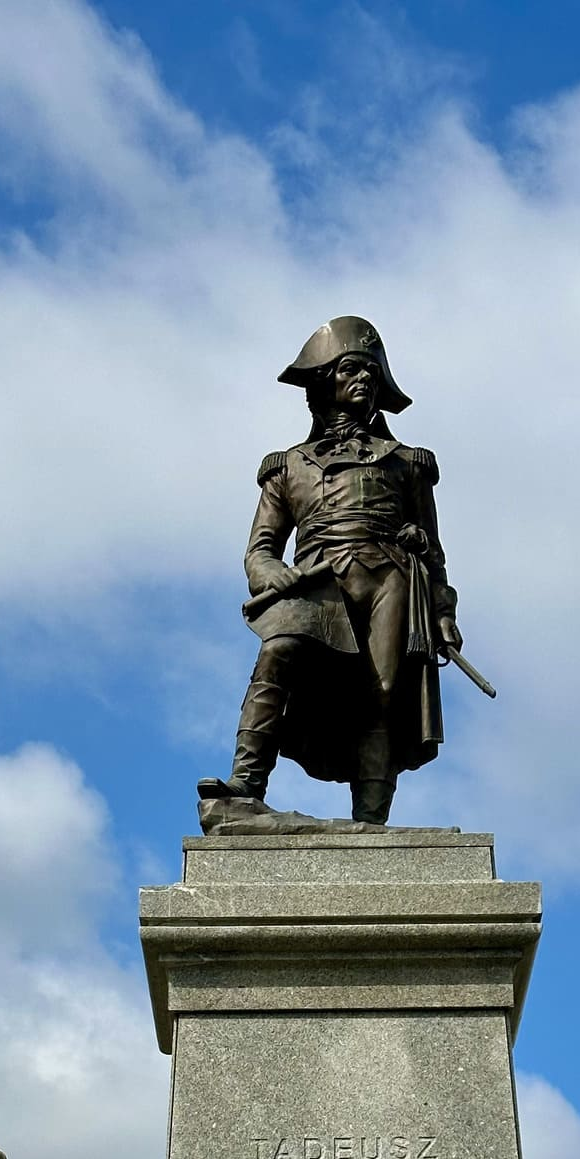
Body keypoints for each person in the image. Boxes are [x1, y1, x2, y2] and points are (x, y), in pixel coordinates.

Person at [200, 316, 462, 826]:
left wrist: (445, 612)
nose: (362, 379)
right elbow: (260, 550)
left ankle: (369, 821)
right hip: (316, 582)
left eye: (369, 371)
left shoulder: (407, 463)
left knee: (380, 696)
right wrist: (270, 575)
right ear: (325, 382)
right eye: (349, 369)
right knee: (279, 651)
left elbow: (434, 552)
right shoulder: (288, 466)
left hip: (390, 579)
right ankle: (244, 786)